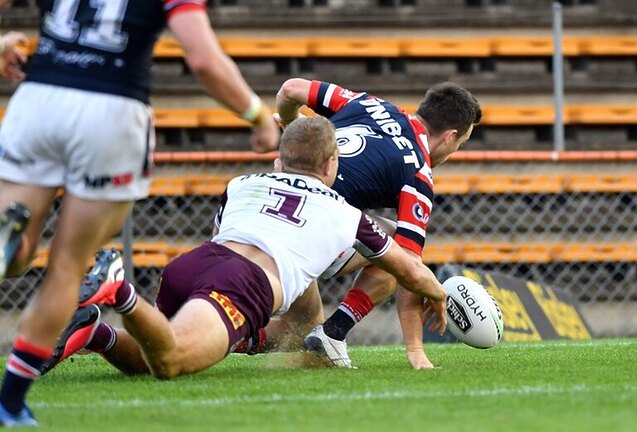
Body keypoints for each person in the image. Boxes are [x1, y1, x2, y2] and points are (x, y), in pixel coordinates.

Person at [0, 1, 279, 426]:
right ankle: (10, 402)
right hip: (111, 108)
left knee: (16, 256)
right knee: (66, 268)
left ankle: (14, 240)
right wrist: (257, 115)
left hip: (39, 97)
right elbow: (203, 58)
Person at [42, 116, 447, 381]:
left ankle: (95, 332)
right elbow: (408, 268)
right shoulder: (345, 214)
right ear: (329, 166)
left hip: (194, 265)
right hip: (242, 285)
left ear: (280, 159)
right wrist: (439, 294)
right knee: (171, 363)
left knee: (153, 353)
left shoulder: (241, 184)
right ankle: (119, 291)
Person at [254, 78, 481, 369]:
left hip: (264, 209)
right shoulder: (418, 173)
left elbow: (290, 89)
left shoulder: (369, 104)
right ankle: (334, 332)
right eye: (459, 145)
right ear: (449, 137)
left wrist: (291, 124)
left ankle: (234, 336)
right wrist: (415, 350)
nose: (452, 154)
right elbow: (408, 267)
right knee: (397, 246)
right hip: (306, 233)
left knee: (298, 329)